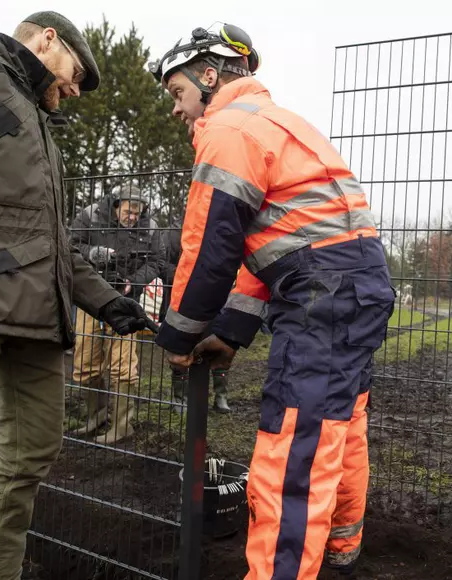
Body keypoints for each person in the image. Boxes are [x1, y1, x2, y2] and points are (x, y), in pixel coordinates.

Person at [149, 24, 394, 578]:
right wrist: (232, 332)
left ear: (208, 76)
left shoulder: (229, 130)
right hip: (354, 284)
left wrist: (179, 337)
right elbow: (275, 249)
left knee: (293, 446)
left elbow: (211, 247)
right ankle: (340, 545)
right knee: (340, 419)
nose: (176, 109)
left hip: (321, 294)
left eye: (177, 93)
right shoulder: (280, 122)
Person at [0, 12, 153, 579]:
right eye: (77, 75)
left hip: (36, 320)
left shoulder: (40, 131)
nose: (75, 90)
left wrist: (108, 301)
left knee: (30, 454)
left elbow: (54, 243)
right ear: (47, 39)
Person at [69, 183, 166, 443]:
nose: (132, 217)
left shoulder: (152, 228)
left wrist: (132, 283)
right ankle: (96, 416)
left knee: (123, 367)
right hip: (91, 298)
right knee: (84, 363)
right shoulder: (90, 216)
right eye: (128, 211)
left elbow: (157, 261)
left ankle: (123, 425)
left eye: (137, 212)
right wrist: (93, 253)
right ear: (116, 205)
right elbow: (70, 245)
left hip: (126, 301)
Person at [160, 216, 231, 414]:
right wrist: (188, 277)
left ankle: (221, 396)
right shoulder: (172, 234)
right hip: (179, 298)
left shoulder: (217, 229)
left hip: (214, 299)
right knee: (180, 347)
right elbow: (161, 265)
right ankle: (180, 399)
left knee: (219, 346)